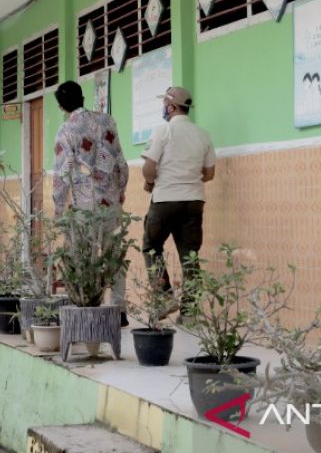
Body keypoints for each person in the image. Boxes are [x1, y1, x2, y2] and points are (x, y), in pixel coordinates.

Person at [51, 80, 130, 320]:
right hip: (110, 202)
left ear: (61, 106)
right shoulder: (107, 122)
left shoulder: (66, 131)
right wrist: (120, 189)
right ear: (83, 98)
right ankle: (119, 309)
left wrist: (58, 206)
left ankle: (87, 308)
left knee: (82, 256)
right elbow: (121, 162)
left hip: (84, 205)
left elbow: (62, 173)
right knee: (113, 254)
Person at [140, 86, 216, 316]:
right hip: (194, 200)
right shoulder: (203, 135)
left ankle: (165, 298)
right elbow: (209, 174)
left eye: (165, 104)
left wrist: (150, 182)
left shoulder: (163, 131)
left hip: (165, 200)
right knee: (190, 256)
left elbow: (149, 167)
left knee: (151, 247)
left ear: (171, 107)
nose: (163, 109)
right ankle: (190, 313)